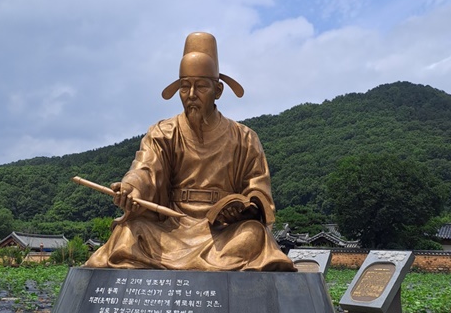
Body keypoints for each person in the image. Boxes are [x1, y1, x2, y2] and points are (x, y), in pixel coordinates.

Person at [85, 32, 296, 272]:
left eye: (201, 86)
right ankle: (206, 266)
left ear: (218, 91)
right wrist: (130, 188)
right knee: (129, 233)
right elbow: (145, 169)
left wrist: (244, 206)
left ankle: (201, 263)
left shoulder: (244, 138)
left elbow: (258, 190)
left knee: (253, 235)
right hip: (170, 227)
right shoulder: (163, 132)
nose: (192, 95)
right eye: (185, 87)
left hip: (222, 232)